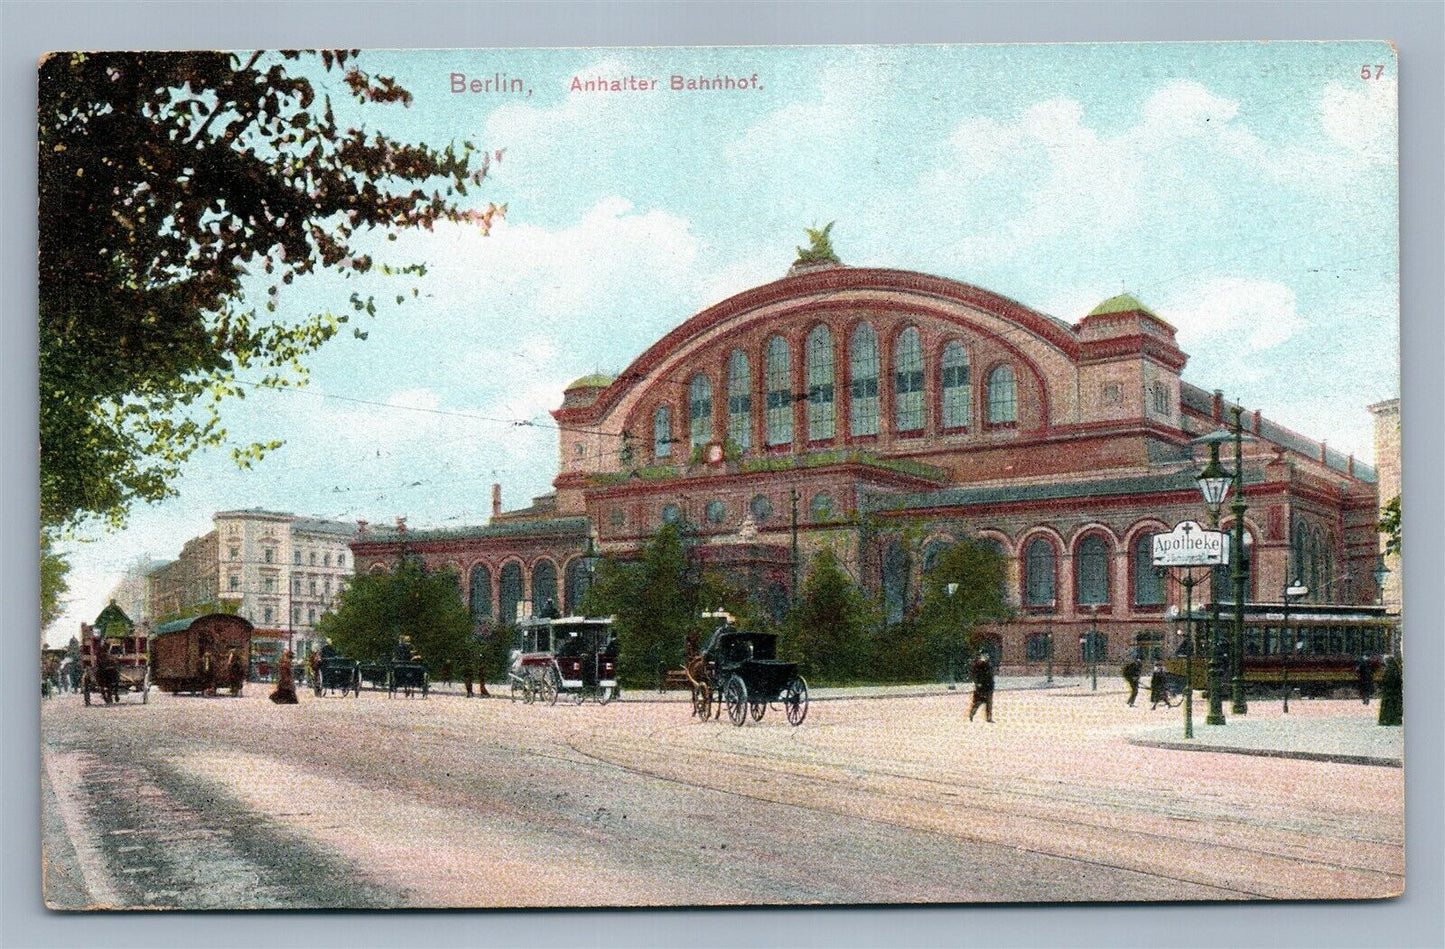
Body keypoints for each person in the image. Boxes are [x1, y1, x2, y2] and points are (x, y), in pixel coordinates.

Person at [968, 649, 994, 722]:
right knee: (977, 702)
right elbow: (974, 674)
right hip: (981, 686)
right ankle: (972, 714)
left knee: (989, 703)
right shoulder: (977, 664)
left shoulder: (989, 663)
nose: (986, 657)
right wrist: (977, 683)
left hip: (989, 686)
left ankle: (989, 718)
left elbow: (990, 674)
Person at [1377, 655, 1402, 726]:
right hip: (1395, 693)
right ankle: (1394, 720)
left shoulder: (1388, 670)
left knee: (1387, 707)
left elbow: (1387, 681)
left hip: (1388, 693)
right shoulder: (1396, 670)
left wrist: (1382, 687)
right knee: (1395, 707)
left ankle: (1386, 720)